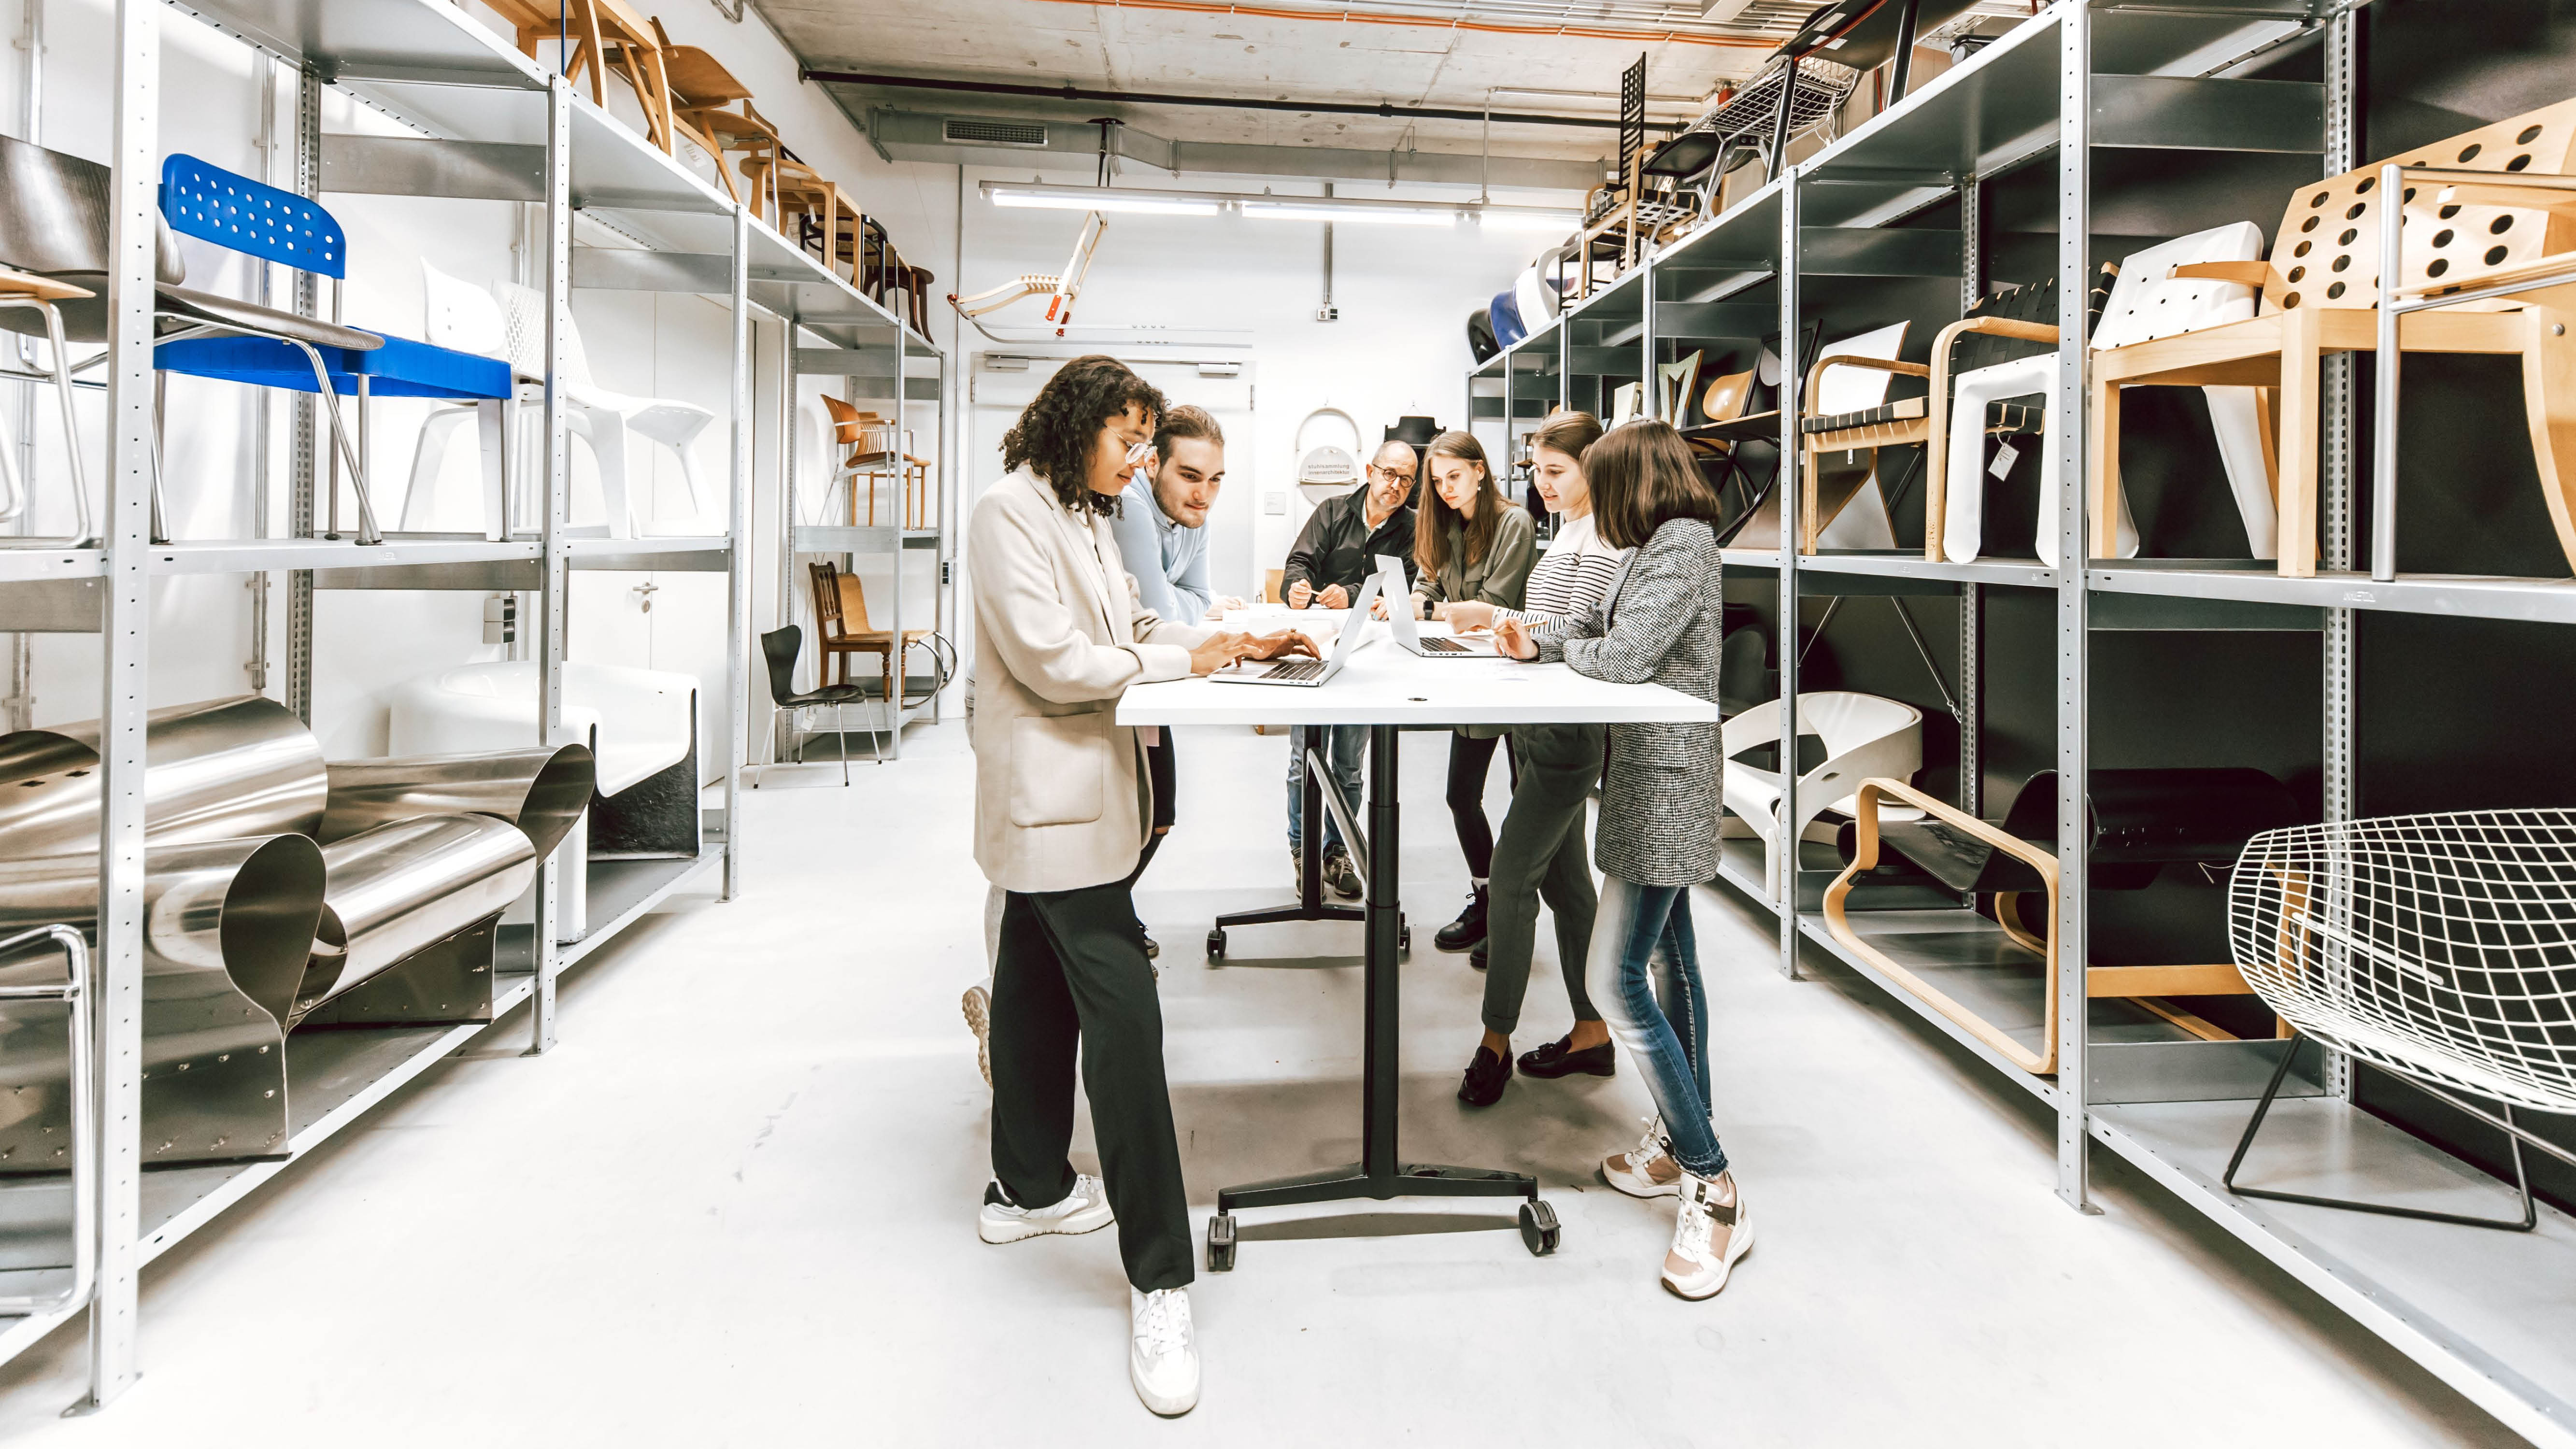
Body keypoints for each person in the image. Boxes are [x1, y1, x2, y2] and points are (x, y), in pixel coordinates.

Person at [966, 355, 1313, 1414]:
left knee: (1030, 990)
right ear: (1075, 428)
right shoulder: (1006, 514)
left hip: (1081, 800)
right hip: (1051, 796)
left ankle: (1025, 1191)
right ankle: (1158, 1273)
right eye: (1128, 443)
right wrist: (1183, 666)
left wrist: (1227, 641)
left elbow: (1131, 626)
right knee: (1124, 1017)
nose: (1141, 462)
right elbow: (1051, 659)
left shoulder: (1079, 512)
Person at [1492, 418, 1746, 1302]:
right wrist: (1547, 639)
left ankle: (1714, 1185)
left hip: (1665, 781)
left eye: (1602, 480)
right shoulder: (1653, 547)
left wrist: (1572, 645)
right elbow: (1595, 629)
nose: (1591, 498)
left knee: (1615, 983)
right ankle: (1681, 1145)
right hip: (1641, 769)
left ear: (1636, 478)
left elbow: (1624, 653)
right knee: (1672, 966)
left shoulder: (1682, 547)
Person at [1434, 412, 1627, 1107]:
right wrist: (1509, 628)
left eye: (1556, 472)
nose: (1542, 485)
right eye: (1537, 471)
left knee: (1512, 881)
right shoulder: (1568, 530)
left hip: (1568, 737)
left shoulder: (1604, 538)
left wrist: (1502, 625)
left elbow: (1583, 631)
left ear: (1592, 468)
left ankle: (1495, 1040)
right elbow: (1550, 627)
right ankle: (1591, 1031)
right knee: (1568, 890)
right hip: (1535, 726)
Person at [1105, 405, 1244, 958]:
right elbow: (1164, 615)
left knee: (1157, 818)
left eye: (1214, 480)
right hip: (1112, 683)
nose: (1203, 496)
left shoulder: (1195, 517)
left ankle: (1111, 916)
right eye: (1189, 476)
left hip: (1148, 681)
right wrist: (1181, 602)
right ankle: (1096, 931)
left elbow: (1196, 601)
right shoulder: (1130, 509)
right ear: (1151, 463)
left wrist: (1181, 602)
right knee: (1109, 828)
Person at [1390, 431, 1534, 956]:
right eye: (1437, 481)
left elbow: (1488, 606)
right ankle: (1487, 899)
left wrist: (1429, 610)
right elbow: (1431, 584)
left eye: (1454, 476)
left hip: (1515, 676)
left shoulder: (1514, 522)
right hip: (1468, 674)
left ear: (1479, 470)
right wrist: (1409, 599)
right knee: (1460, 796)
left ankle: (1513, 917)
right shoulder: (1445, 524)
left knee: (1524, 806)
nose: (1445, 489)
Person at [1278, 438, 1417, 898]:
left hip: (1368, 656)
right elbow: (1299, 561)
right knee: (1303, 759)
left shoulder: (1414, 528)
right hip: (1315, 648)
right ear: (1370, 469)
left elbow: (1408, 588)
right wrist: (1297, 586)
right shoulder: (1333, 510)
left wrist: (1355, 594)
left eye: (1406, 480)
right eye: (1388, 474)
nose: (1395, 485)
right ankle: (1302, 852)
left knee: (1348, 765)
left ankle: (1336, 853)